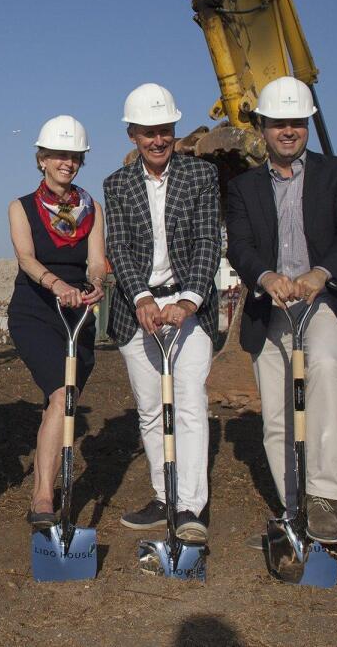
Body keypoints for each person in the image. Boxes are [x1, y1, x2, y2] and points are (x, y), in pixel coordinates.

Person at [225, 75, 337, 543]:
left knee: (325, 368)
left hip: (321, 300)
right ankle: (294, 504)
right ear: (263, 127)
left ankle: (321, 496)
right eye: (279, 123)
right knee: (277, 412)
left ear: (307, 125)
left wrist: (319, 273)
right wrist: (265, 277)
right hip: (270, 305)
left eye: (297, 123)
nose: (289, 131)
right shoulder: (245, 187)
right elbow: (241, 245)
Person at [103, 83, 220, 544]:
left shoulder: (200, 176)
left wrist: (188, 300)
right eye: (148, 132)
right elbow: (119, 248)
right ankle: (163, 495)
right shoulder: (117, 185)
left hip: (189, 307)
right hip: (139, 311)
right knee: (151, 410)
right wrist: (142, 300)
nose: (158, 140)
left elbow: (210, 239)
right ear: (132, 134)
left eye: (165, 130)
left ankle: (191, 506)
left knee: (190, 401)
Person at [7, 116, 106, 528]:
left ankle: (46, 489)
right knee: (60, 393)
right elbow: (27, 260)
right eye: (58, 155)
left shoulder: (92, 208)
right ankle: (43, 495)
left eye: (74, 156)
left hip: (77, 312)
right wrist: (57, 284)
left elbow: (97, 261)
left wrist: (96, 283)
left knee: (67, 400)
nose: (66, 162)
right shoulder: (22, 207)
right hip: (36, 308)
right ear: (42, 159)